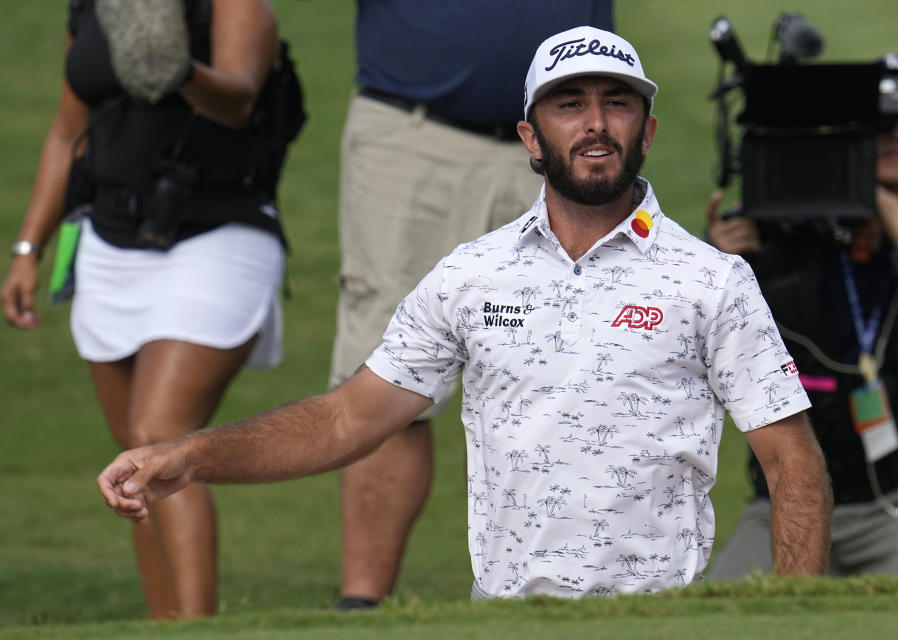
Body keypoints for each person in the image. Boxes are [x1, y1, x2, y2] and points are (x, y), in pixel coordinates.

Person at [99, 26, 832, 599]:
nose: (596, 123)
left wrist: (796, 616)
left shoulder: (712, 281)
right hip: (505, 615)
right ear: (529, 136)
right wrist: (192, 456)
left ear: (649, 128)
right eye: (570, 104)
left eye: (618, 102)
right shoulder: (470, 276)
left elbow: (791, 463)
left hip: (658, 616)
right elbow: (347, 420)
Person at [2, 0, 289, 619]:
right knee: (134, 465)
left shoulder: (233, 7)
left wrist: (174, 68)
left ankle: (196, 628)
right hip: (108, 243)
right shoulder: (92, 9)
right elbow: (65, 130)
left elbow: (238, 100)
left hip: (218, 234)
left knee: (156, 439)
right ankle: (164, 627)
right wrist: (29, 248)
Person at [332, 1, 615, 609]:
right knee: (387, 377)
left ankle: (580, 595)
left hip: (574, 138)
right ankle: (359, 608)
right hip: (416, 131)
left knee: (585, 372)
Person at [707, 54, 898, 579]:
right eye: (883, 125)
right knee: (725, 619)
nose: (897, 137)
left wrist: (879, 199)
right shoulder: (781, 234)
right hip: (784, 503)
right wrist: (720, 264)